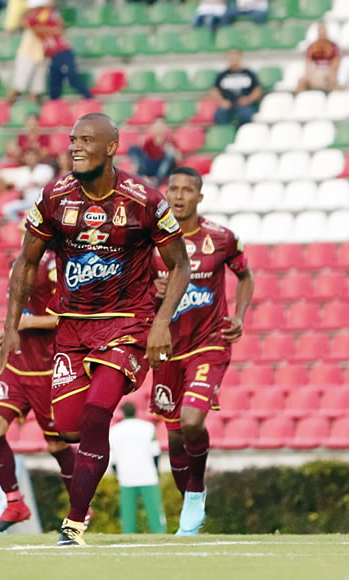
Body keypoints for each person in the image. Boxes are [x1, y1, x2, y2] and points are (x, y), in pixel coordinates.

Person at [0, 112, 191, 546]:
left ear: (111, 146)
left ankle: (74, 523)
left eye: (86, 140)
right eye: (72, 140)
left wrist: (161, 323)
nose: (76, 146)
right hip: (73, 329)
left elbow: (181, 264)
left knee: (97, 411)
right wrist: (12, 325)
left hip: (127, 325)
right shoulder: (54, 196)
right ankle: (80, 503)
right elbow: (26, 263)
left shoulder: (144, 199)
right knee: (67, 428)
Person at [151, 166, 254, 536]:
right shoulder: (150, 243)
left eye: (186, 190)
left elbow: (245, 275)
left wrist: (239, 315)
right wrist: (154, 294)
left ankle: (196, 493)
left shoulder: (221, 238)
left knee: (193, 420)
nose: (178, 196)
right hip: (165, 350)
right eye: (173, 189)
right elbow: (134, 294)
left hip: (209, 344)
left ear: (199, 197)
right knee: (175, 435)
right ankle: (190, 501)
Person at [0, 252, 81, 533]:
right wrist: (9, 329)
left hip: (47, 370)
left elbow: (69, 315)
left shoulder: (59, 265)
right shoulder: (18, 261)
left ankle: (80, 509)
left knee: (57, 445)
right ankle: (15, 504)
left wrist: (28, 323)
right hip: (15, 365)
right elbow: (17, 308)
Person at [109, 402, 166, 534]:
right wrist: (156, 471)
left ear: (122, 413)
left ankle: (128, 536)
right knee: (155, 511)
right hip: (148, 475)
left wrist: (117, 475)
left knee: (127, 514)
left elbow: (113, 459)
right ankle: (160, 534)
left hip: (126, 476)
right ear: (135, 411)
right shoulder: (149, 428)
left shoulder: (114, 431)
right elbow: (155, 452)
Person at [28, 0, 91, 101]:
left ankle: (89, 98)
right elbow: (36, 28)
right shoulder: (39, 15)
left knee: (71, 76)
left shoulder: (49, 14)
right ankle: (55, 104)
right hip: (53, 55)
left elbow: (59, 29)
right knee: (55, 81)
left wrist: (46, 28)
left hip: (63, 52)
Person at [0, 148, 55, 221]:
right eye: (28, 156)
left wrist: (35, 184)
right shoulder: (22, 171)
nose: (31, 158)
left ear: (37, 157)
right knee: (7, 209)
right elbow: (19, 190)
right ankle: (20, 225)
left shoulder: (46, 169)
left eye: (33, 156)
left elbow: (49, 185)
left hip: (42, 201)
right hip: (27, 201)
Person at [212, 49, 262, 126]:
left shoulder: (249, 73)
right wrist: (222, 102)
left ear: (240, 58)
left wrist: (248, 100)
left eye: (235, 58)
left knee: (246, 115)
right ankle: (226, 134)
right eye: (231, 58)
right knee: (219, 115)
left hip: (244, 105)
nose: (233, 60)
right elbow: (215, 91)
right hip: (227, 104)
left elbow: (257, 90)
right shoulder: (222, 75)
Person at [127, 119, 177, 186]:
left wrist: (171, 150)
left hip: (162, 167)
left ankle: (156, 180)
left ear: (164, 129)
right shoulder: (149, 142)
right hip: (151, 165)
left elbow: (177, 158)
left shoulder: (169, 141)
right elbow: (144, 157)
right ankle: (142, 177)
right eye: (156, 128)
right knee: (133, 148)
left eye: (160, 128)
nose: (158, 130)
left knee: (170, 152)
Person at [298, 22, 340, 93]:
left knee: (331, 78)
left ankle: (331, 99)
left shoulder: (333, 46)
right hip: (315, 71)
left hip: (328, 71)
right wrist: (313, 73)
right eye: (320, 33)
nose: (322, 35)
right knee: (301, 81)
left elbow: (335, 64)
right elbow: (307, 63)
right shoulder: (312, 47)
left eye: (324, 32)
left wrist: (323, 73)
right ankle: (300, 100)